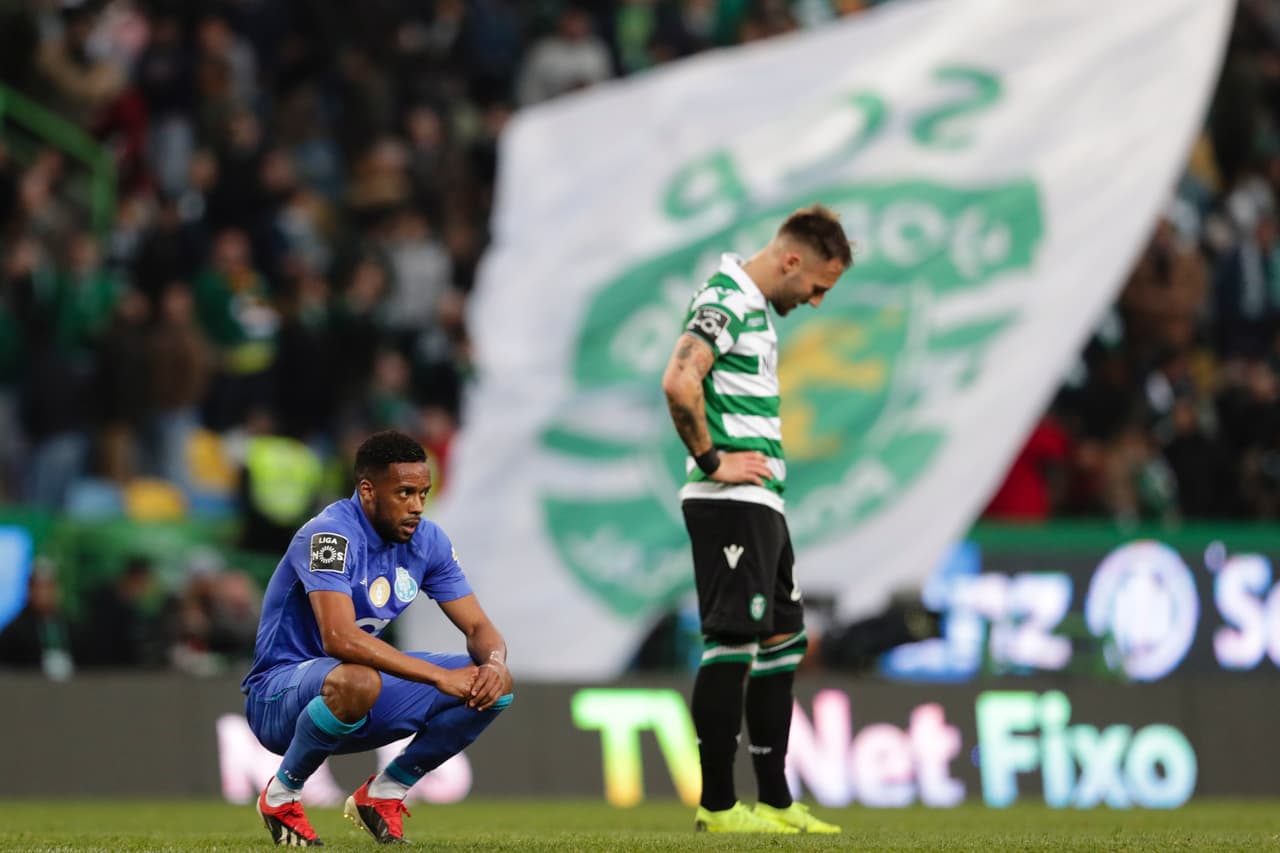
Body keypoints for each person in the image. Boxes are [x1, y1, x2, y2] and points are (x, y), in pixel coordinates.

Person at [660, 204, 850, 834]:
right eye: (819, 286)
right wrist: (712, 460)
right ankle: (717, 806)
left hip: (761, 502)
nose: (818, 301)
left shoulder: (753, 311)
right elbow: (679, 379)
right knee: (733, 641)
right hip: (729, 503)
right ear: (792, 260)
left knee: (782, 640)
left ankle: (773, 799)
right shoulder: (726, 299)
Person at [241, 429, 513, 846]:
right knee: (357, 678)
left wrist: (493, 664)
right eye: (404, 493)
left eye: (423, 493)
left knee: (494, 684)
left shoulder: (428, 541)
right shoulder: (329, 537)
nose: (417, 506)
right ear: (367, 490)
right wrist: (437, 677)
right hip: (279, 695)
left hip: (358, 691)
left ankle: (385, 793)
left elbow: (479, 630)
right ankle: (282, 796)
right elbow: (339, 638)